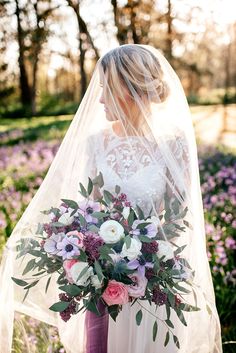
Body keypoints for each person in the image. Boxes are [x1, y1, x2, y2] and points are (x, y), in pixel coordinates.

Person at [0, 44, 222, 353]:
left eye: (107, 87)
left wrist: (145, 264)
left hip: (150, 287)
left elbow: (178, 220)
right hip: (102, 284)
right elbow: (83, 212)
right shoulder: (96, 143)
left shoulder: (174, 144)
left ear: (129, 89)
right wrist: (86, 256)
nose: (100, 97)